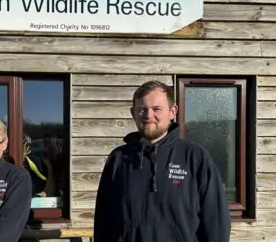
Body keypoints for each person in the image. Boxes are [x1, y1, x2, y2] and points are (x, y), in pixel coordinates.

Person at [93, 80, 231, 242]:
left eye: (156, 109)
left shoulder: (195, 157)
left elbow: (216, 223)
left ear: (173, 112)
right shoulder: (119, 159)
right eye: (142, 109)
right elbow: (103, 220)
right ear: (133, 113)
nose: (148, 115)